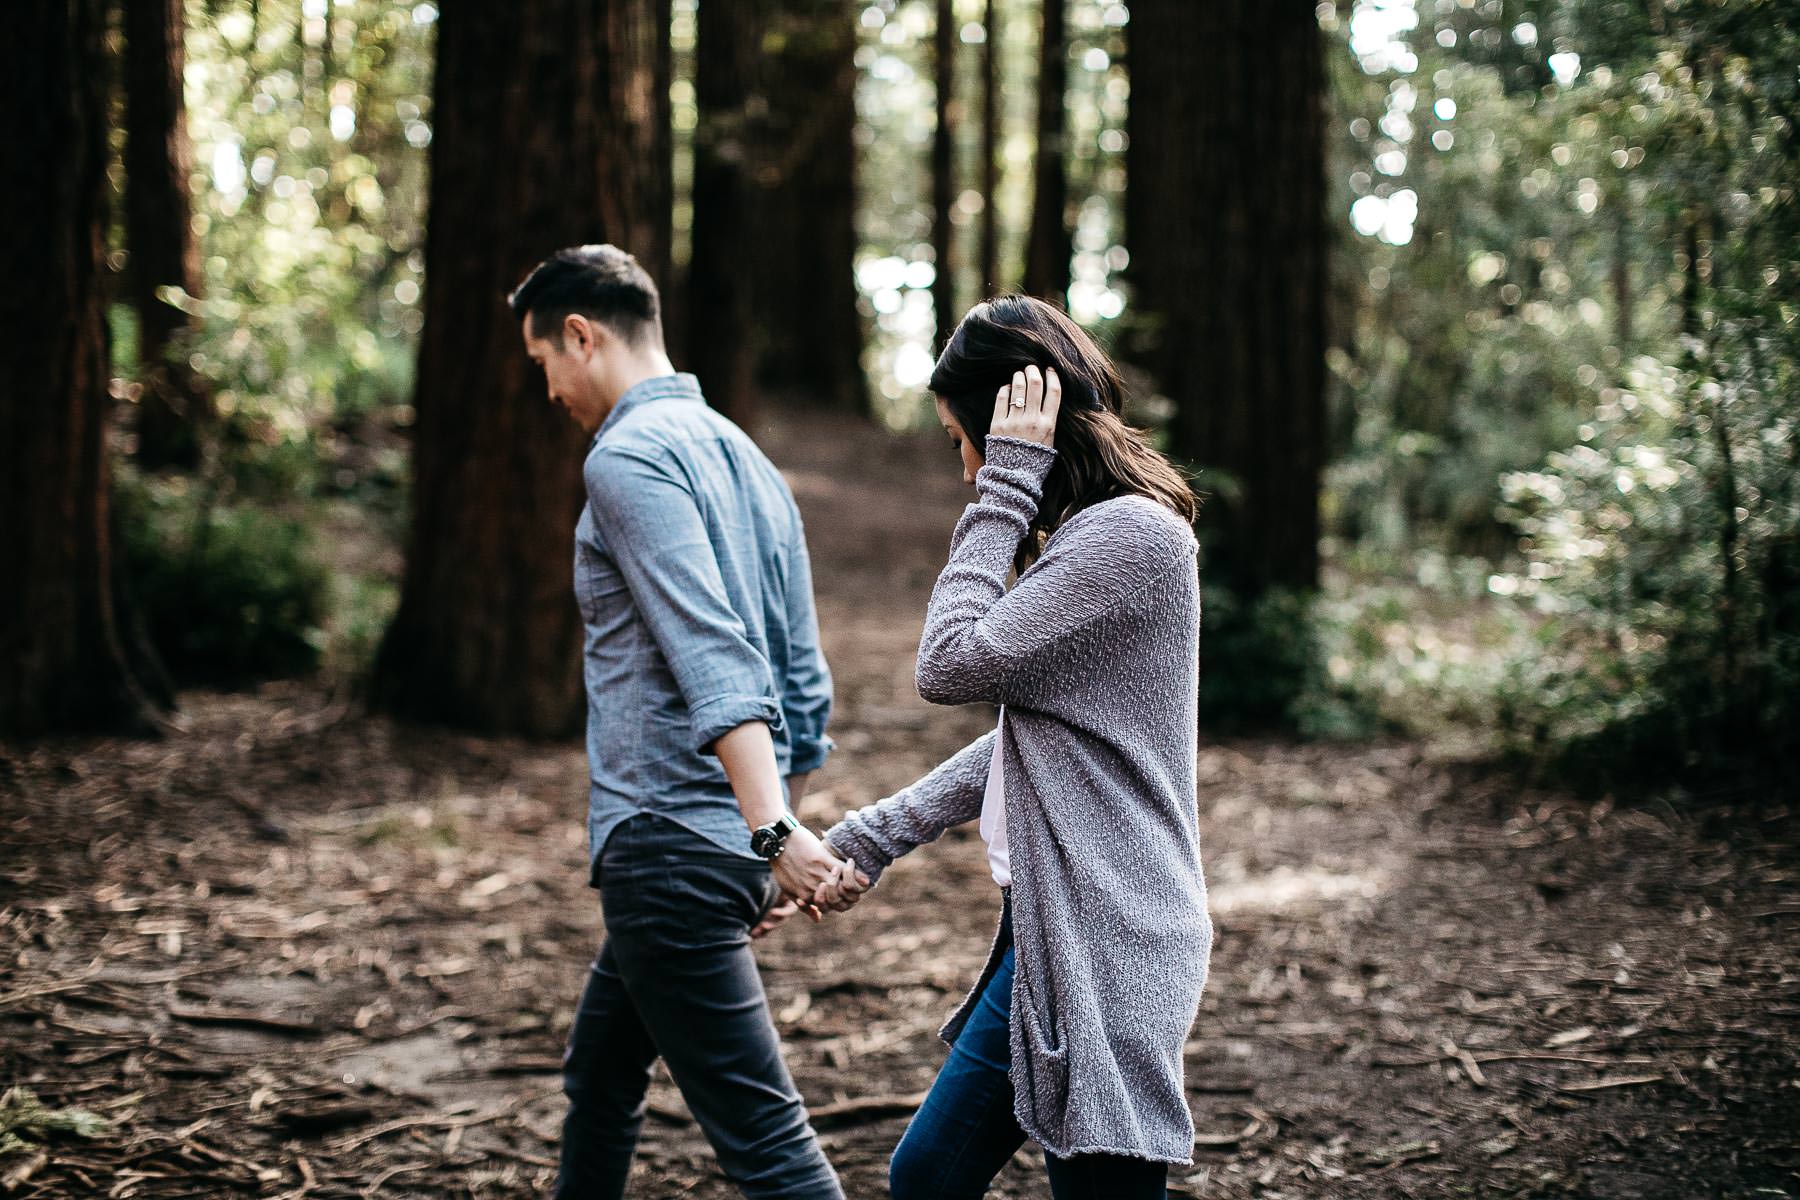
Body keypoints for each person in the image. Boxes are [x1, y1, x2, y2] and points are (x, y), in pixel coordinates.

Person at [816, 295, 1213, 1200]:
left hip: (1111, 940)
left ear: (1018, 430)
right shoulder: (1091, 537)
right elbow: (1031, 745)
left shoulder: (1132, 538)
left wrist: (1007, 485)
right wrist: (873, 836)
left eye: (965, 440)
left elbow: (948, 665)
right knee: (926, 1178)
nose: (965, 471)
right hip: (1051, 935)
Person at [509, 244, 864, 1200]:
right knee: (603, 1076)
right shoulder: (747, 459)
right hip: (709, 845)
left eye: (544, 362)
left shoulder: (627, 458)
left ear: (580, 336)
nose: (549, 391)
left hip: (667, 841)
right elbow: (800, 675)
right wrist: (769, 828)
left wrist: (775, 832)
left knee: (769, 1146)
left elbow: (714, 657)